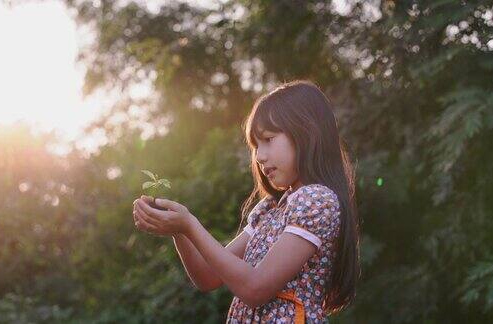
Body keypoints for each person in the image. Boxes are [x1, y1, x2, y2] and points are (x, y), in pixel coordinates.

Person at [132, 80, 361, 323]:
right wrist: (179, 231)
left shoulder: (317, 201)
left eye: (269, 139)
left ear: (306, 133)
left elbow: (255, 288)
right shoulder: (270, 210)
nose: (260, 157)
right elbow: (208, 277)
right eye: (256, 146)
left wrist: (190, 224)